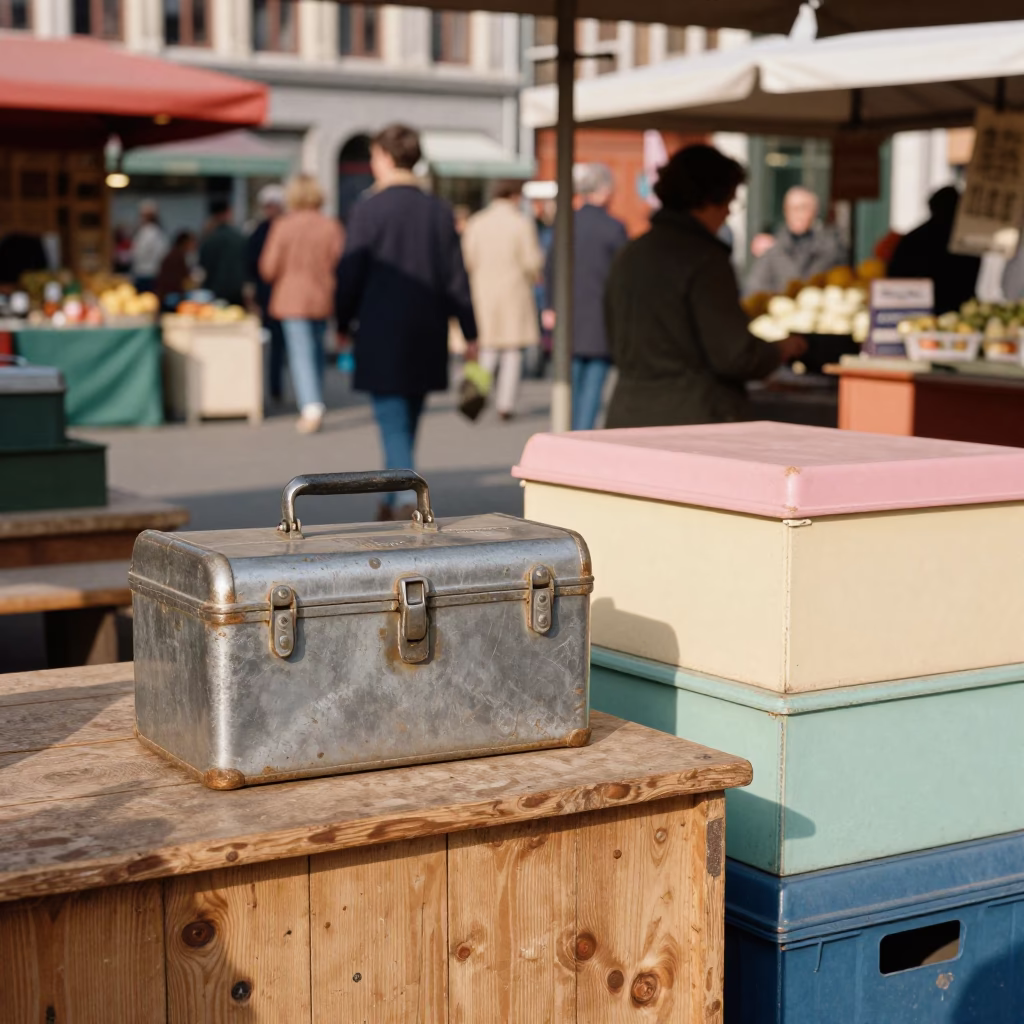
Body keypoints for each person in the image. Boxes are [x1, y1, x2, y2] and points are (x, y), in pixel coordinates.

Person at [604, 144, 806, 428]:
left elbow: (613, 335)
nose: (727, 213)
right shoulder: (704, 259)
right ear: (708, 198)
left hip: (627, 411)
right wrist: (778, 350)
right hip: (691, 419)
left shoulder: (631, 253)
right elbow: (734, 355)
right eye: (728, 202)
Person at [335, 124, 478, 520]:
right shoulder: (438, 210)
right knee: (406, 420)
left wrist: (342, 321)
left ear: (383, 158)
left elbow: (351, 273)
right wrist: (470, 331)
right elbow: (456, 277)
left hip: (381, 329)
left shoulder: (368, 208)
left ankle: (401, 502)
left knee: (393, 423)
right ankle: (390, 494)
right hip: (428, 330)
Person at [543, 163, 628, 431]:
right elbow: (623, 278)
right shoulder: (614, 228)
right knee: (592, 388)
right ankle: (580, 435)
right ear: (604, 191)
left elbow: (550, 266)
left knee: (571, 384)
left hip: (569, 316)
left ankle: (567, 431)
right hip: (601, 320)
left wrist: (549, 305)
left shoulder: (566, 223)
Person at [260, 175, 344, 434]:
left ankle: (310, 405)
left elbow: (268, 268)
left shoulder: (283, 226)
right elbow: (341, 264)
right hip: (322, 296)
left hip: (292, 297)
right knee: (315, 350)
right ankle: (314, 397)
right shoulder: (330, 226)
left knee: (300, 353)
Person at [461, 180, 543, 421]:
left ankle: (479, 395)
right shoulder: (521, 224)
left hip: (483, 295)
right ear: (515, 196)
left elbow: (467, 259)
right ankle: (505, 405)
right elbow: (532, 262)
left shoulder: (477, 222)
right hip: (513, 294)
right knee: (511, 352)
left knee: (487, 349)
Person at [888, 186, 981, 313]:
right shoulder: (969, 240)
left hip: (920, 311)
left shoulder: (915, 238)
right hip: (960, 311)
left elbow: (894, 277)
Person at [744, 186, 846, 296]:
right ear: (785, 211)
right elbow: (754, 289)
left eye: (803, 208)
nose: (798, 214)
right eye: (792, 208)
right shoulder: (773, 250)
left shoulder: (830, 249)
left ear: (814, 211)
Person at [246, 183, 288, 403]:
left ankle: (285, 389)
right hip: (272, 295)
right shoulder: (263, 230)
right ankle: (276, 387)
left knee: (282, 346)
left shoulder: (278, 229)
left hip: (280, 294)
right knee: (277, 346)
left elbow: (260, 266)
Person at [199, 200, 247, 306]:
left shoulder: (209, 239)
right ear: (228, 213)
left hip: (214, 291)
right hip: (237, 290)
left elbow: (202, 266)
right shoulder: (239, 238)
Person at [131, 200, 168, 294]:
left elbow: (138, 253)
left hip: (146, 274)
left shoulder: (149, 231)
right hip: (151, 272)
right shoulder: (156, 231)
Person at [155, 230, 196, 308]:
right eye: (192, 242)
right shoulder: (176, 257)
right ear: (185, 243)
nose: (194, 245)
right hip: (169, 298)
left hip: (168, 296)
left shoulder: (175, 255)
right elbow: (179, 280)